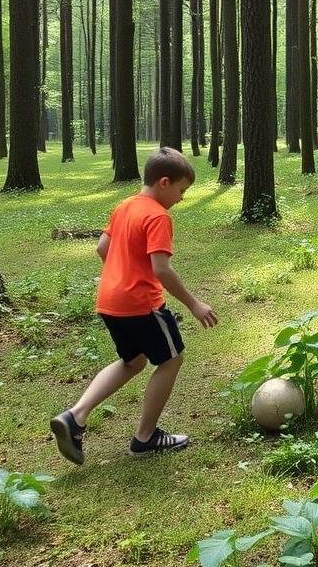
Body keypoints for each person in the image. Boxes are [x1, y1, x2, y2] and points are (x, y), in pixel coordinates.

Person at [51, 147, 218, 465]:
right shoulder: (157, 215)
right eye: (182, 191)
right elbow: (161, 269)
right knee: (171, 360)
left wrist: (121, 274)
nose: (181, 198)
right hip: (141, 303)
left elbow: (102, 248)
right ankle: (145, 438)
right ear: (164, 182)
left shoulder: (124, 205)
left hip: (109, 301)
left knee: (133, 361)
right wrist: (195, 304)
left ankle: (76, 416)